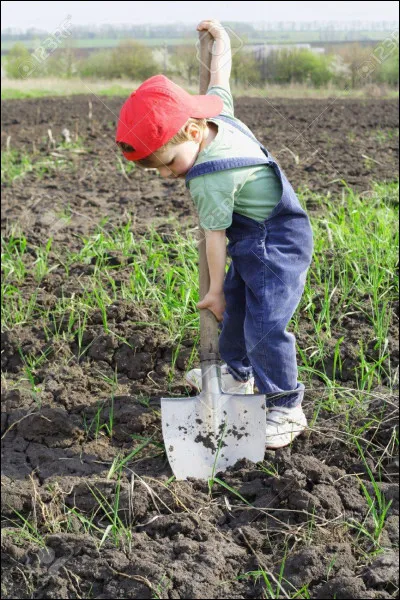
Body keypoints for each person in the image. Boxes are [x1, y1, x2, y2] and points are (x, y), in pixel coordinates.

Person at [115, 19, 314, 449]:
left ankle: (285, 404)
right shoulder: (213, 116)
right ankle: (238, 375)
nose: (168, 175)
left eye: (168, 164)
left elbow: (214, 237)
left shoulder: (210, 176)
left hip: (275, 242)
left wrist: (217, 291)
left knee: (264, 323)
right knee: (239, 314)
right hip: (254, 236)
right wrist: (216, 46)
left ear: (191, 132)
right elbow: (216, 82)